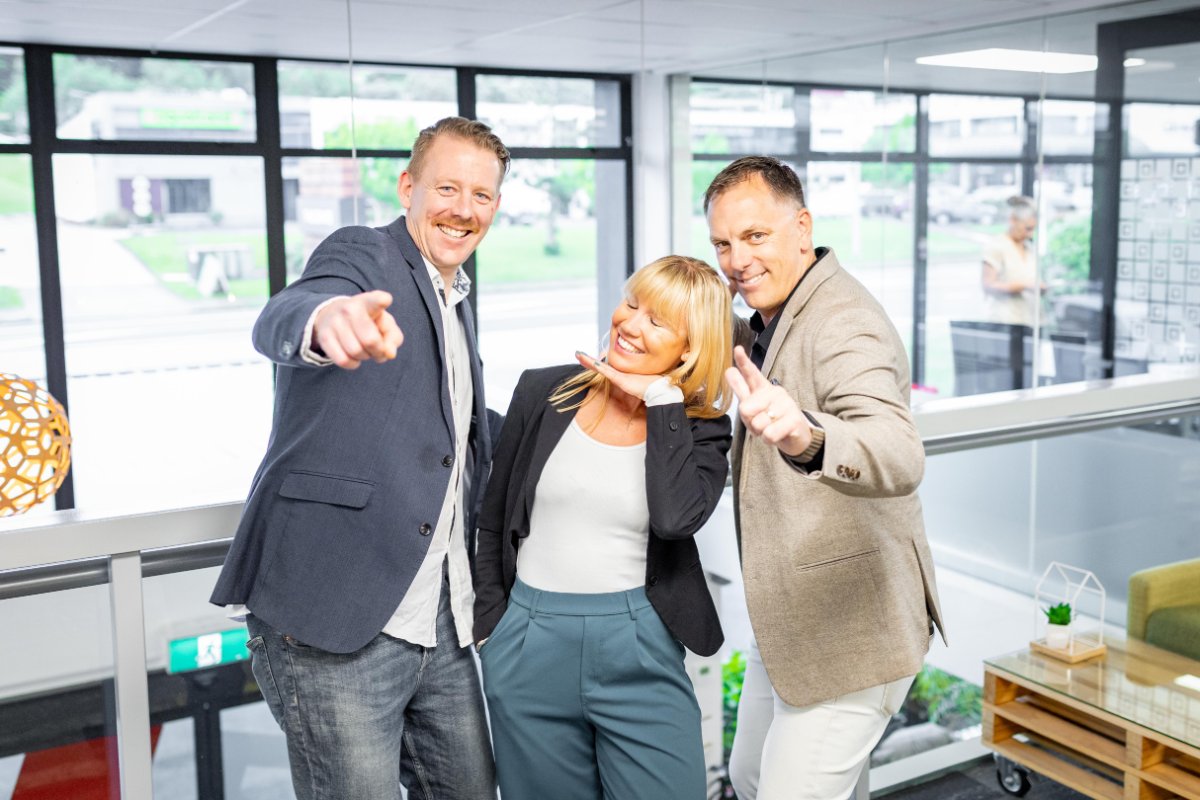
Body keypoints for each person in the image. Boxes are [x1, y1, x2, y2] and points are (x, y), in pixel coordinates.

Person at [209, 116, 509, 800]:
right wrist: (326, 322)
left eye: (482, 196)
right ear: (408, 187)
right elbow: (294, 308)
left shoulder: (454, 292)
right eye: (447, 188)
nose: (463, 209)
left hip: (439, 618)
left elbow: (450, 426)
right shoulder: (365, 256)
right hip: (336, 617)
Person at [703, 156, 946, 800]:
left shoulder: (843, 321)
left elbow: (898, 451)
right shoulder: (768, 315)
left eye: (755, 236)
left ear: (802, 226)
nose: (737, 258)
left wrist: (806, 435)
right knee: (753, 775)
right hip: (794, 615)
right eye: (723, 243)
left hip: (853, 628)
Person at [472, 255, 734, 800]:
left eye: (657, 321)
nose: (630, 324)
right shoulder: (545, 392)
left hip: (639, 641)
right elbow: (494, 518)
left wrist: (661, 399)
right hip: (527, 641)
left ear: (690, 347)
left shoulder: (702, 430)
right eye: (632, 304)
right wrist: (491, 629)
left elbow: (674, 518)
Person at [982, 195, 1041, 326]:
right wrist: (1026, 286)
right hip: (1004, 322)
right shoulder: (996, 246)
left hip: (1027, 321)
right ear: (1013, 220)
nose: (1030, 234)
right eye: (1028, 228)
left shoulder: (1029, 249)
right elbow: (988, 285)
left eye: (1033, 229)